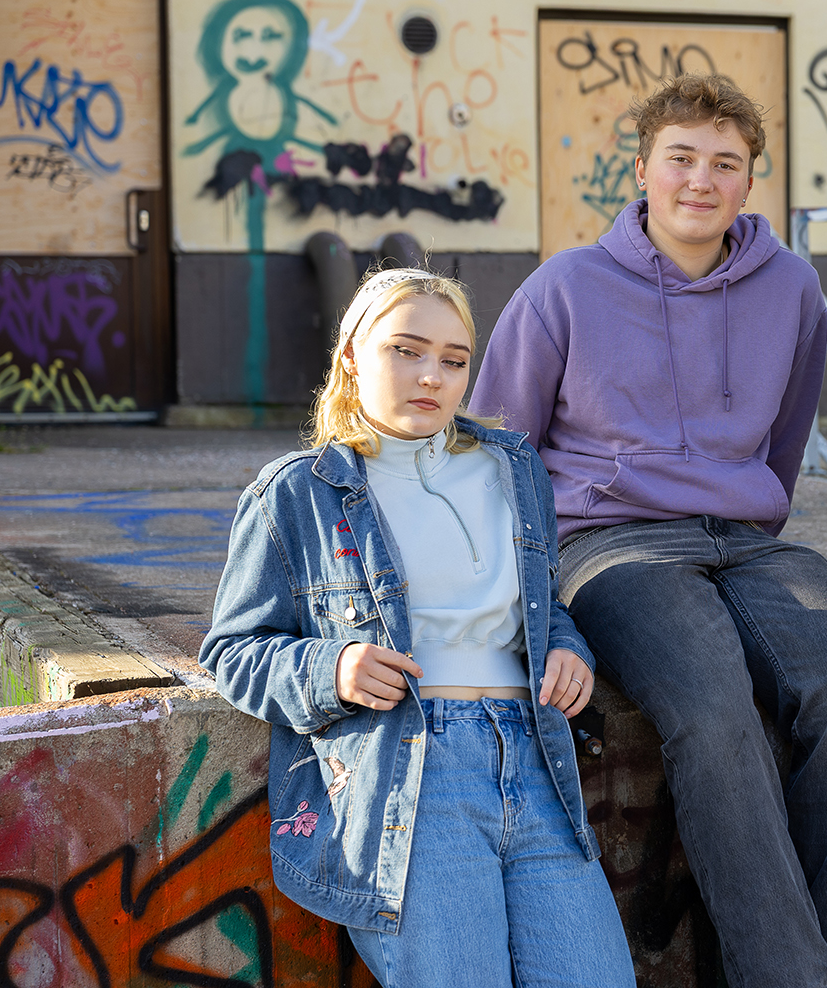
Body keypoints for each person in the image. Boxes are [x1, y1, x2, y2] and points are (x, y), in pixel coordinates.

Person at [470, 74, 827, 988]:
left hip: (746, 541)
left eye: (726, 163)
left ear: (749, 180)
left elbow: (785, 442)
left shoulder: (791, 288)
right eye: (681, 158)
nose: (701, 180)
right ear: (641, 170)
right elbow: (497, 453)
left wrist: (747, 517)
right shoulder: (565, 288)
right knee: (711, 709)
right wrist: (531, 597)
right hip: (611, 543)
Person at [200, 267, 636, 988]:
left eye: (454, 360)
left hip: (535, 761)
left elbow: (540, 604)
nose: (432, 376)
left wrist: (566, 647)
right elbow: (232, 652)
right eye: (405, 351)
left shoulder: (513, 468)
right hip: (411, 772)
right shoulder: (298, 492)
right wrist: (331, 669)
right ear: (351, 356)